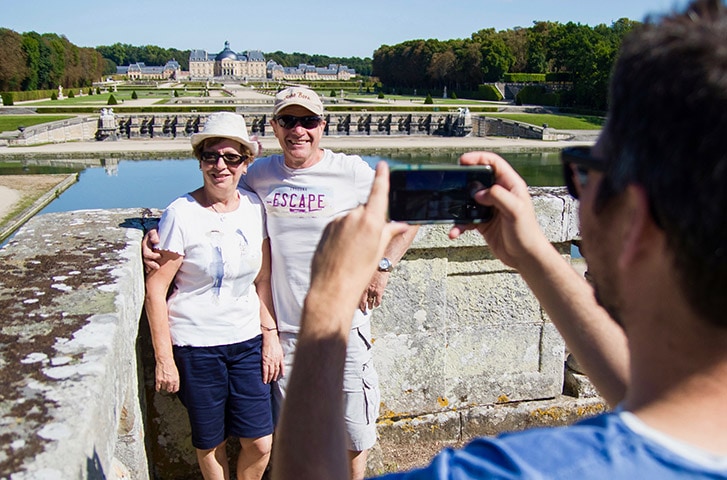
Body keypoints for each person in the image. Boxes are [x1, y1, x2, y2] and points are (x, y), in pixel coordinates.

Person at [272, 1, 727, 478]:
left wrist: (327, 301)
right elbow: (655, 395)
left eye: (587, 172)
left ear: (634, 222)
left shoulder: (509, 471)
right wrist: (534, 256)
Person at [144, 87, 419, 479]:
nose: (298, 130)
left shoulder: (351, 172)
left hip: (344, 331)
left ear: (323, 126)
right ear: (274, 127)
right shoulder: (259, 174)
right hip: (285, 340)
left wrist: (382, 267)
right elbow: (210, 203)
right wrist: (155, 232)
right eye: (288, 121)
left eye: (308, 121)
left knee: (352, 442)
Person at [144, 112, 283, 480]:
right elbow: (156, 289)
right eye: (210, 156)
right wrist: (164, 359)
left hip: (247, 342)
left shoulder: (255, 208)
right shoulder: (181, 213)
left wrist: (270, 336)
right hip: (196, 346)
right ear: (200, 161)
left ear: (245, 163)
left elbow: (263, 279)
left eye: (230, 158)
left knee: (260, 441)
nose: (219, 166)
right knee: (210, 441)